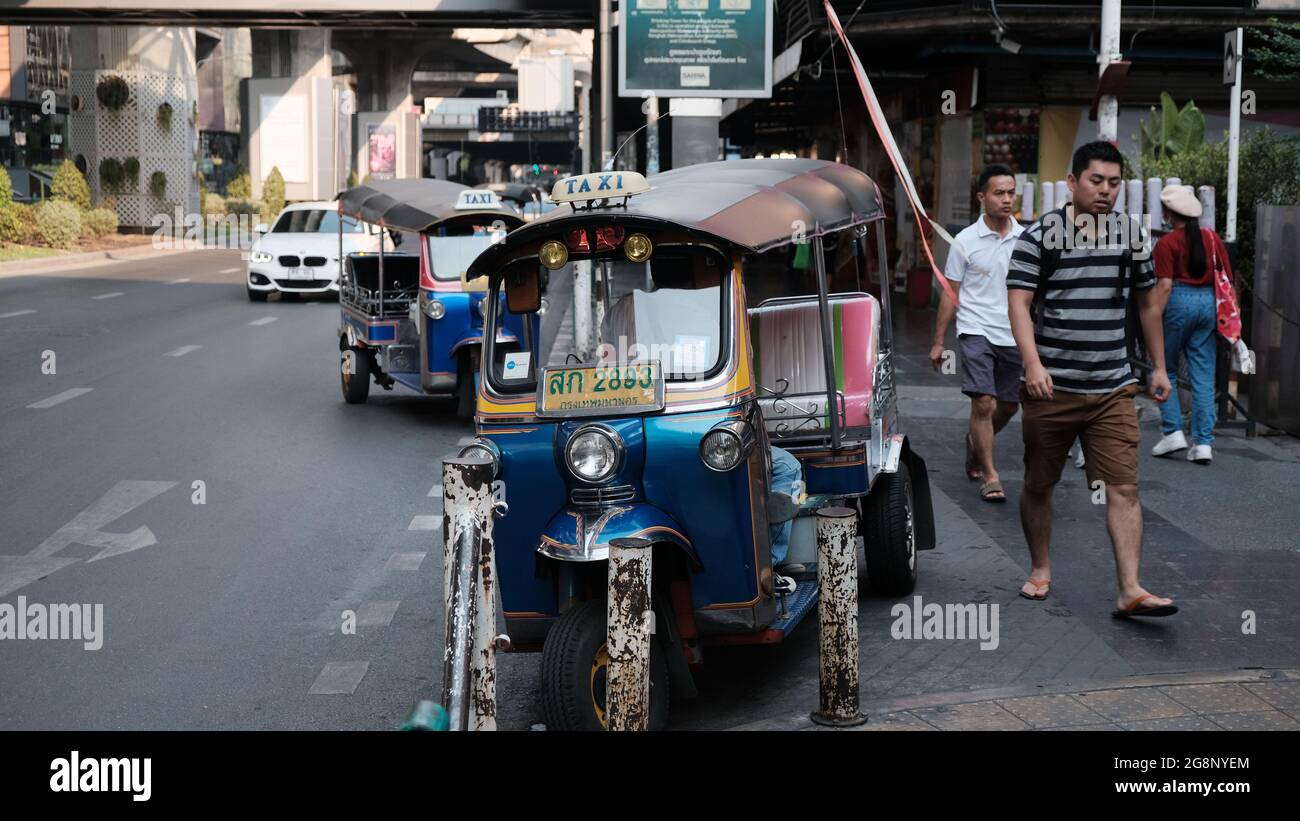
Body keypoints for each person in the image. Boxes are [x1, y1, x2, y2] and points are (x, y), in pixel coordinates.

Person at [1005, 140, 1178, 619]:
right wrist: (1033, 364)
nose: (1106, 191)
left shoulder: (1132, 236)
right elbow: (1019, 302)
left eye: (1114, 183)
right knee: (1040, 483)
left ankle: (1130, 588)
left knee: (1123, 487)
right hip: (1051, 388)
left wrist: (1158, 366)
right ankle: (1040, 567)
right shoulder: (1041, 236)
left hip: (1112, 388)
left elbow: (1147, 302)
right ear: (1073, 182)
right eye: (1096, 180)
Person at [930, 164, 1024, 503]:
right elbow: (950, 293)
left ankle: (975, 443)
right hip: (975, 329)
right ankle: (990, 474)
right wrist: (940, 341)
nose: (1006, 199)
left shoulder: (1024, 239)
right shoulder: (965, 242)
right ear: (982, 197)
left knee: (1010, 405)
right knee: (983, 401)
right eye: (999, 193)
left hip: (1012, 332)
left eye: (1011, 192)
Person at [1150, 184, 1232, 464]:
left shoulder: (1166, 243)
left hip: (1177, 303)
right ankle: (1203, 443)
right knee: (1202, 375)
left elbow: (1164, 285)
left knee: (1165, 367)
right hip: (1208, 305)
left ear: (1168, 213)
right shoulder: (1212, 239)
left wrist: (1153, 318)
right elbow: (1227, 280)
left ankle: (1172, 431)